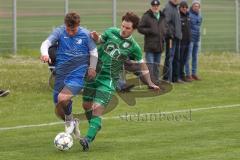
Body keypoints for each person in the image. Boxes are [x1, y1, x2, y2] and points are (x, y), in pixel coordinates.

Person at [80, 12, 159, 151]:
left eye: (127, 28)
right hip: (93, 74)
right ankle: (96, 124)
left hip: (109, 79)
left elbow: (143, 65)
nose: (123, 29)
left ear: (133, 29)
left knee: (97, 108)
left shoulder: (133, 47)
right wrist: (96, 37)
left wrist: (150, 82)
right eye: (123, 26)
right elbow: (100, 41)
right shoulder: (111, 31)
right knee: (86, 105)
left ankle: (87, 139)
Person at [40, 12, 98, 139]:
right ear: (65, 25)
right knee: (59, 107)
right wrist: (45, 54)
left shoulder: (85, 34)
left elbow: (94, 51)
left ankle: (68, 121)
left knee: (62, 97)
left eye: (73, 29)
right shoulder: (60, 32)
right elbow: (46, 43)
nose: (70, 32)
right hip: (61, 74)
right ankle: (72, 121)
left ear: (78, 25)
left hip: (77, 74)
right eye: (68, 29)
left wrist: (92, 67)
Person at [138, 0, 168, 85]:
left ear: (159, 6)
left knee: (157, 66)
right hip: (150, 46)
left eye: (157, 5)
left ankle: (156, 82)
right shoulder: (147, 16)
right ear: (151, 6)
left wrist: (164, 32)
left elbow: (166, 26)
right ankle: (150, 82)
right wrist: (150, 30)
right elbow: (140, 28)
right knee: (150, 66)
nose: (155, 7)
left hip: (159, 45)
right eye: (154, 5)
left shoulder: (162, 16)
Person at [162, 0, 182, 83]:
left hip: (177, 37)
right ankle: (167, 78)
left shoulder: (176, 8)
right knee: (169, 58)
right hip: (171, 38)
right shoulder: (168, 8)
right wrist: (170, 34)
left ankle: (175, 78)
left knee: (176, 58)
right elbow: (165, 23)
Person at [185, 0, 202, 80]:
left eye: (198, 6)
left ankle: (194, 73)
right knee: (188, 57)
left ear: (199, 7)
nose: (196, 7)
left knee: (195, 57)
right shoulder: (188, 15)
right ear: (192, 7)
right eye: (195, 6)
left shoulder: (200, 16)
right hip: (190, 39)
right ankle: (188, 74)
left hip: (196, 39)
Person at [179, 1, 192, 82]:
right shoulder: (178, 16)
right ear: (180, 8)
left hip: (188, 41)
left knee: (184, 60)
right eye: (183, 7)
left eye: (186, 7)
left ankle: (183, 75)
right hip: (181, 42)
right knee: (180, 60)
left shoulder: (188, 16)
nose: (184, 9)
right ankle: (179, 76)